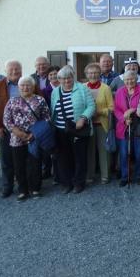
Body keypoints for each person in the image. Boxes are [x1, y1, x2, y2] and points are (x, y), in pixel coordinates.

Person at [0, 60, 34, 198]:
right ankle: (8, 186)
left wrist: (35, 130)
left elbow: (39, 103)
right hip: (6, 130)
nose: (14, 72)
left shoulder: (29, 84)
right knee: (7, 160)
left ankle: (27, 186)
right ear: (6, 71)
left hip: (29, 132)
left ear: (21, 70)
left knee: (27, 159)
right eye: (11, 70)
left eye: (17, 69)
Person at [3, 76, 50, 201]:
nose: (25, 87)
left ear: (33, 86)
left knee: (34, 163)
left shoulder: (40, 100)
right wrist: (17, 132)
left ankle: (35, 189)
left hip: (34, 138)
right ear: (18, 87)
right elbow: (7, 120)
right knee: (19, 165)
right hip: (17, 138)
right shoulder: (12, 101)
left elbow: (46, 119)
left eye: (28, 85)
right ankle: (23, 190)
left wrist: (33, 134)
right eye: (22, 85)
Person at [50, 65, 95, 194]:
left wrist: (83, 117)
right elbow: (53, 110)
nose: (66, 81)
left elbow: (91, 106)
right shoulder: (55, 92)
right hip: (60, 130)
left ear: (72, 77)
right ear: (59, 79)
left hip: (78, 129)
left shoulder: (82, 89)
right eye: (63, 79)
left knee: (79, 157)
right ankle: (66, 183)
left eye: (68, 78)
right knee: (63, 157)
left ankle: (78, 183)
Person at [114, 70, 140, 186]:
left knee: (139, 152)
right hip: (123, 127)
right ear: (123, 80)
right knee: (124, 153)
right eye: (127, 79)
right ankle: (124, 176)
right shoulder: (119, 92)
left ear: (136, 79)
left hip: (138, 126)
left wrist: (133, 110)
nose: (129, 81)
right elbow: (116, 109)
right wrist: (124, 118)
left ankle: (139, 175)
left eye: (132, 79)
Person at [84, 63, 114, 185]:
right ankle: (89, 175)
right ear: (86, 74)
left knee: (104, 152)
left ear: (99, 74)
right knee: (89, 151)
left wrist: (100, 112)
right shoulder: (82, 87)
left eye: (96, 72)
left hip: (102, 124)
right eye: (90, 73)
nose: (93, 75)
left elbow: (112, 108)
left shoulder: (106, 88)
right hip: (87, 124)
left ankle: (105, 176)